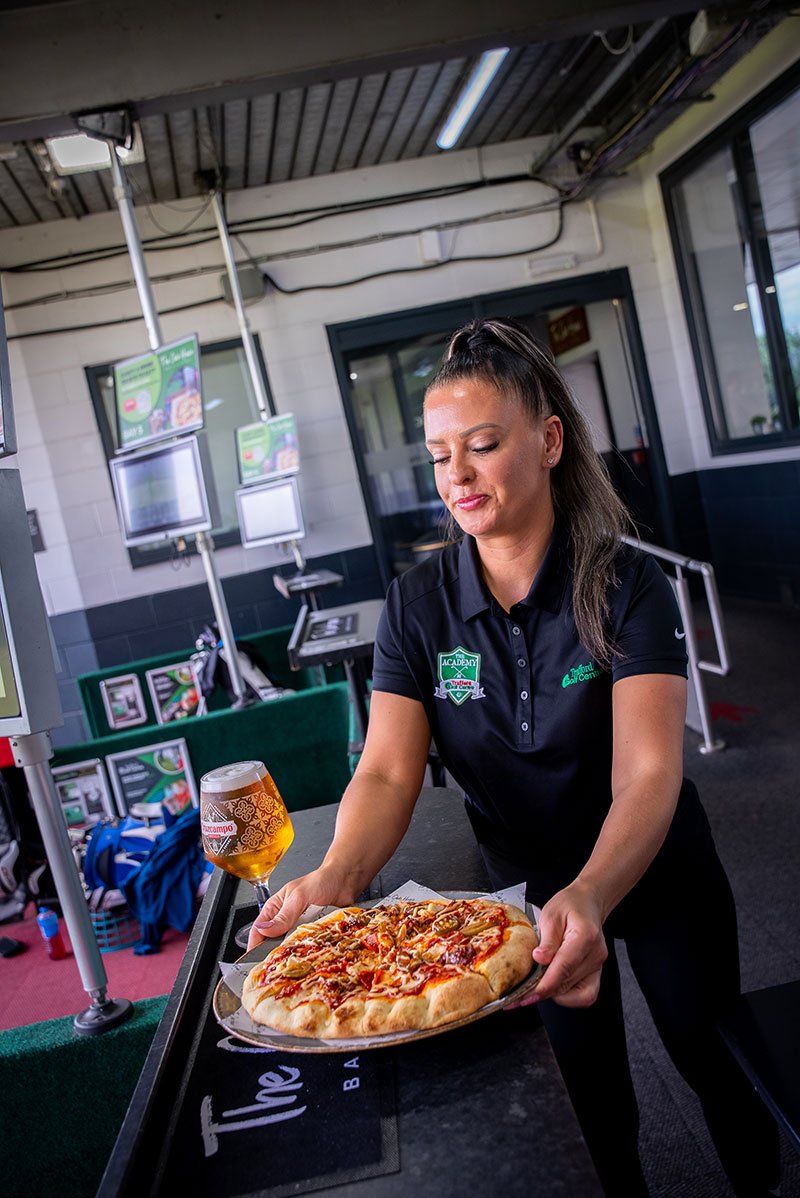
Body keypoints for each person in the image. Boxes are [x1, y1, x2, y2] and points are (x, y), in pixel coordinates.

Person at [249, 317, 780, 1197]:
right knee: (590, 1103)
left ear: (549, 440)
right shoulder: (417, 606)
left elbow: (648, 772)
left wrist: (595, 892)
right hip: (524, 896)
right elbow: (386, 771)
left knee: (711, 1055)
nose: (456, 474)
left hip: (654, 867)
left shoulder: (625, 584)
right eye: (438, 455)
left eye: (483, 445)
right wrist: (340, 873)